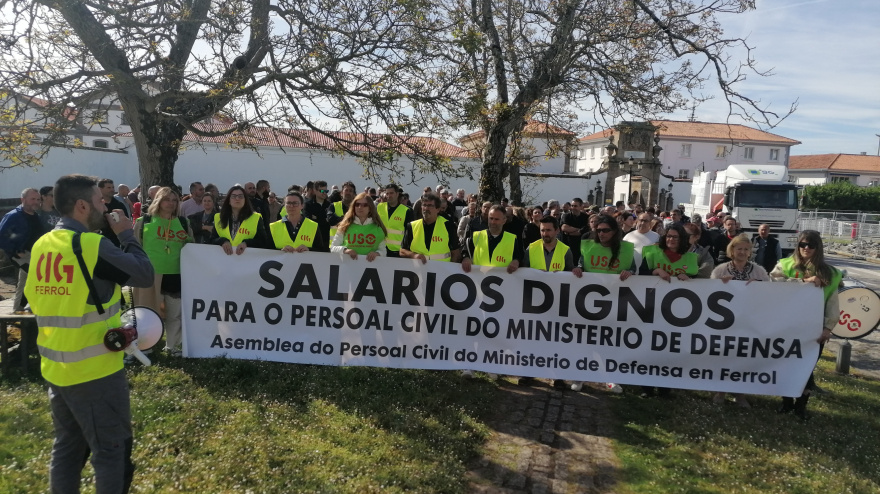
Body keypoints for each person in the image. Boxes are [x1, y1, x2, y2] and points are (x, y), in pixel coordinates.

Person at [24, 174, 154, 493]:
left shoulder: (43, 244)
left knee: (67, 449)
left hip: (57, 368)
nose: (105, 206)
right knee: (112, 453)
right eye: (99, 201)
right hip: (95, 371)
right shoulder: (89, 244)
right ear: (82, 205)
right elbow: (144, 274)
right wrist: (127, 234)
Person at [770, 230, 841, 420]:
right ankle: (786, 403)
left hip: (813, 330)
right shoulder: (784, 265)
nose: (806, 248)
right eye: (802, 244)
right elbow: (773, 286)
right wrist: (802, 281)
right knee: (786, 365)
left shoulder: (832, 274)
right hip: (786, 326)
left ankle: (801, 407)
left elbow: (832, 304)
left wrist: (828, 329)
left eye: (811, 245)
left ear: (818, 248)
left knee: (806, 368)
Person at [570, 214, 635, 394]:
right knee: (585, 342)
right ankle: (579, 375)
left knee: (609, 343)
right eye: (598, 230)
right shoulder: (589, 247)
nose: (601, 234)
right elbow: (581, 264)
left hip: (614, 304)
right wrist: (579, 268)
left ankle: (610, 378)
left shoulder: (626, 250)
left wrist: (629, 272)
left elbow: (635, 270)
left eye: (606, 230)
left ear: (615, 231)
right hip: (589, 303)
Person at [461, 204, 522, 381]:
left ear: (504, 220)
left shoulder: (513, 239)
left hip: (500, 295)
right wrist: (465, 257)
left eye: (496, 219)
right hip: (476, 290)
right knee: (472, 328)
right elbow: (465, 250)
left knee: (493, 330)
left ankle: (491, 364)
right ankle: (469, 366)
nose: (493, 222)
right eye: (490, 218)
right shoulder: (476, 236)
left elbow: (519, 257)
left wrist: (516, 261)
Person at [710, 233, 771, 408]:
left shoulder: (759, 271)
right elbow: (708, 292)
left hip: (748, 322)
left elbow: (770, 293)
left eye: (746, 249)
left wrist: (759, 284)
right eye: (739, 249)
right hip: (725, 323)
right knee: (723, 356)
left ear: (750, 252)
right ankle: (720, 390)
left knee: (743, 357)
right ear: (732, 250)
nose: (742, 252)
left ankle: (739, 394)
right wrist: (720, 284)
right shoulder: (720, 270)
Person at [638, 223, 698, 398]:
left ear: (682, 239)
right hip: (652, 308)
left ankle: (665, 388)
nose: (671, 240)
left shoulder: (690, 258)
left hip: (677, 313)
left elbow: (699, 282)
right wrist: (655, 270)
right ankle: (647, 389)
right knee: (649, 349)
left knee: (669, 350)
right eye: (669, 236)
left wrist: (689, 278)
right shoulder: (651, 252)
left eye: (675, 237)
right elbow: (640, 276)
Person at [133, 187, 193, 356]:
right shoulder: (144, 222)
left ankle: (172, 346)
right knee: (147, 312)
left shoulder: (183, 223)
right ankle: (145, 345)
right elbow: (134, 247)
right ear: (158, 201)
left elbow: (190, 246)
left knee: (175, 314)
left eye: (175, 200)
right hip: (150, 275)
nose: (171, 203)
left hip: (175, 273)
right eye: (167, 199)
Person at [0, 188, 43, 312]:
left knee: (24, 282)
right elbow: (1, 236)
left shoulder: (35, 215)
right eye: (32, 199)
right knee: (38, 277)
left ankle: (18, 310)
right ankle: (29, 307)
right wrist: (16, 250)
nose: (36, 202)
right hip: (22, 255)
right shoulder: (13, 215)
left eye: (38, 199)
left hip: (36, 254)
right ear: (23, 199)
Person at [400, 193, 462, 264]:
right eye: (424, 205)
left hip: (442, 271)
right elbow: (402, 251)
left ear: (438, 209)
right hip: (418, 270)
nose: (426, 208)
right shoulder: (412, 226)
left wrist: (450, 270)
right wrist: (414, 255)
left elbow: (456, 253)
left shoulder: (448, 225)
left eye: (430, 206)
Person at [211, 185, 268, 254]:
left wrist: (246, 243)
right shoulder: (218, 218)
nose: (237, 199)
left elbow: (264, 242)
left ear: (245, 200)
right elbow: (211, 240)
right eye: (234, 196)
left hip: (246, 259)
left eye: (240, 196)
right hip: (223, 260)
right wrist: (222, 241)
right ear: (229, 200)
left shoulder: (255, 218)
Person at [331, 192, 387, 261]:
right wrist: (345, 250)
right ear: (354, 207)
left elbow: (383, 252)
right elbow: (333, 248)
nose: (360, 207)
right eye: (357, 205)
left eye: (365, 205)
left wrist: (377, 253)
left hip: (369, 268)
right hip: (347, 267)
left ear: (370, 208)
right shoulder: (345, 226)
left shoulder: (378, 228)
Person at [377, 184, 413, 257]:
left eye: (391, 193)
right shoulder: (379, 207)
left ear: (397, 194)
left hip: (398, 251)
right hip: (381, 249)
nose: (389, 196)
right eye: (387, 193)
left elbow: (409, 233)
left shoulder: (407, 211)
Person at [98, 178, 130, 247]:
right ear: (100, 189)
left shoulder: (119, 205)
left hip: (118, 241)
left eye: (113, 187)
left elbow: (126, 220)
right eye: (109, 187)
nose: (112, 190)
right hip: (101, 241)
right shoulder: (96, 205)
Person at [560, 198, 589, 265]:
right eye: (572, 206)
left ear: (581, 206)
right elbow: (564, 228)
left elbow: (581, 232)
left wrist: (570, 232)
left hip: (580, 248)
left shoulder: (586, 218)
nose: (573, 208)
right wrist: (579, 229)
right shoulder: (566, 216)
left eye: (575, 206)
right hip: (567, 247)